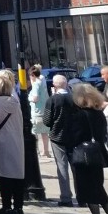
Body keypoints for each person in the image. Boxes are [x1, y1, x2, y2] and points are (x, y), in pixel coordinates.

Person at [69, 83, 108, 214]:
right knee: (99, 189)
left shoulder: (79, 116)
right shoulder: (99, 114)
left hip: (84, 157)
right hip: (98, 154)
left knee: (91, 192)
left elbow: (74, 137)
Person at [0, 72, 25, 214]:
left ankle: (7, 206)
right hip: (17, 140)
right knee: (17, 174)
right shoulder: (15, 103)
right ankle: (19, 207)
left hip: (2, 141)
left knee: (3, 174)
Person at [43, 73, 77, 207]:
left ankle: (66, 197)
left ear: (54, 86)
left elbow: (46, 120)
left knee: (62, 166)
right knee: (76, 166)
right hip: (74, 136)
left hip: (57, 136)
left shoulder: (52, 100)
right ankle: (82, 196)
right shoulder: (74, 99)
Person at [28, 65, 51, 158]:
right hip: (44, 110)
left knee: (34, 132)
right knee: (44, 132)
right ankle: (46, 150)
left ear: (33, 75)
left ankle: (36, 150)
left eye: (30, 75)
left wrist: (29, 98)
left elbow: (35, 98)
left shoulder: (36, 84)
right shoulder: (42, 81)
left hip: (37, 112)